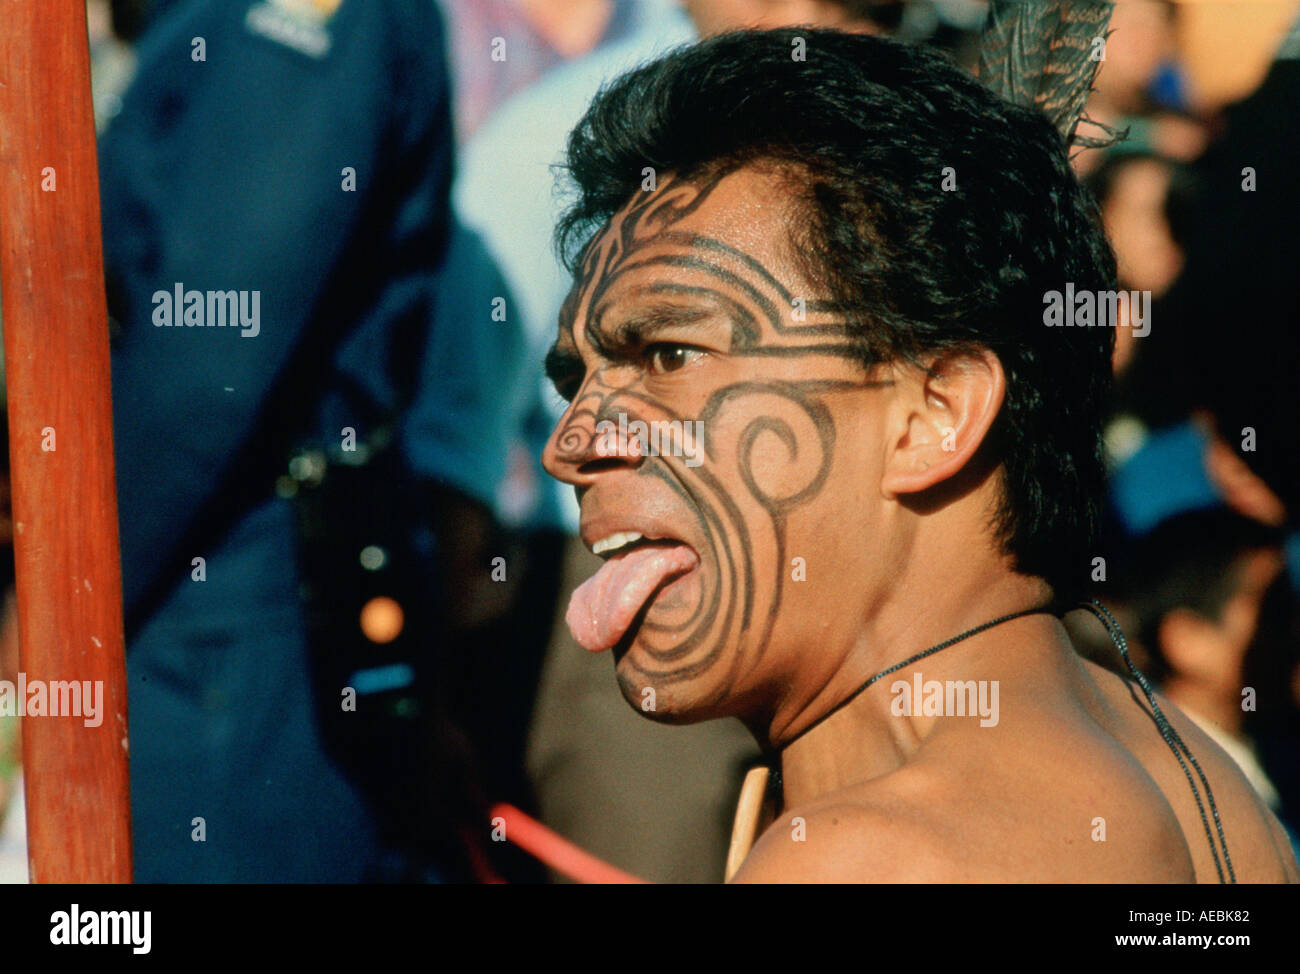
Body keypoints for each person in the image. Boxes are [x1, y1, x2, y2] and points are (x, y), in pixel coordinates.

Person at [540, 27, 1299, 882]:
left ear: (934, 412)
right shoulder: (1214, 793)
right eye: (575, 382)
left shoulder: (864, 856)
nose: (569, 446)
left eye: (670, 356)